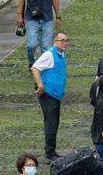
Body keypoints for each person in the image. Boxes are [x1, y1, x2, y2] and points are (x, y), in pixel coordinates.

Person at [30, 32, 68, 160]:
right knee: (51, 123)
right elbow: (35, 68)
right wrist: (40, 85)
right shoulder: (49, 54)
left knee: (54, 123)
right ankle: (49, 153)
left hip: (56, 95)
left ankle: (52, 151)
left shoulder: (61, 55)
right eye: (61, 40)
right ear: (55, 41)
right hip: (48, 95)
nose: (64, 43)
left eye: (66, 40)